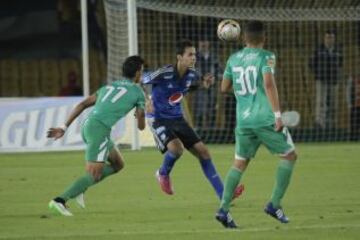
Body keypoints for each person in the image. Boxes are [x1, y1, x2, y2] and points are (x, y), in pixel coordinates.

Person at [215, 21, 298, 228]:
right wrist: (278, 115)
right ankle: (274, 204)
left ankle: (224, 210)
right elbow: (269, 84)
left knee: (239, 163)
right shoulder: (267, 56)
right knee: (289, 155)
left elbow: (224, 88)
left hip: (243, 121)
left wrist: (245, 94)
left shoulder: (233, 59)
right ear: (264, 38)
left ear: (244, 38)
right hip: (265, 118)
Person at [143, 39, 244, 201]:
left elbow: (188, 87)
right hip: (158, 118)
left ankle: (224, 194)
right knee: (176, 149)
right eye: (190, 55)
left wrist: (203, 84)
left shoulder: (191, 74)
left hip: (177, 118)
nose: (194, 58)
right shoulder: (164, 72)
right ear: (179, 57)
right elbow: (141, 79)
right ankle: (162, 173)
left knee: (203, 152)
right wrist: (145, 100)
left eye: (195, 54)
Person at [47, 55, 146, 216]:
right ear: (137, 73)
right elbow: (141, 127)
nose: (142, 74)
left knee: (118, 164)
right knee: (94, 174)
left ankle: (80, 188)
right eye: (142, 70)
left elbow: (83, 104)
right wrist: (141, 114)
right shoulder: (138, 92)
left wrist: (63, 127)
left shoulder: (108, 87)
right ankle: (60, 200)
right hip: (99, 130)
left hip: (88, 126)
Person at [309, 29, 343, 129]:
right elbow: (311, 63)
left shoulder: (338, 51)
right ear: (324, 38)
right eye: (328, 37)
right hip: (321, 80)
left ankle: (332, 125)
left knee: (333, 103)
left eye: (331, 37)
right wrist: (318, 73)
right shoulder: (318, 50)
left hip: (334, 80)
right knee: (321, 103)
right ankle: (320, 125)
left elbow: (341, 64)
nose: (329, 40)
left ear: (334, 39)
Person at [192, 39, 221, 129]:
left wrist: (214, 78)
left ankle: (212, 130)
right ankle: (198, 130)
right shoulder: (194, 57)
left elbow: (221, 72)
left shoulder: (215, 57)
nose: (203, 43)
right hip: (199, 87)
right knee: (199, 109)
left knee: (212, 108)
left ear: (209, 43)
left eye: (205, 41)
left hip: (212, 88)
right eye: (201, 41)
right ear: (198, 43)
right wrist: (201, 80)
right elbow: (191, 72)